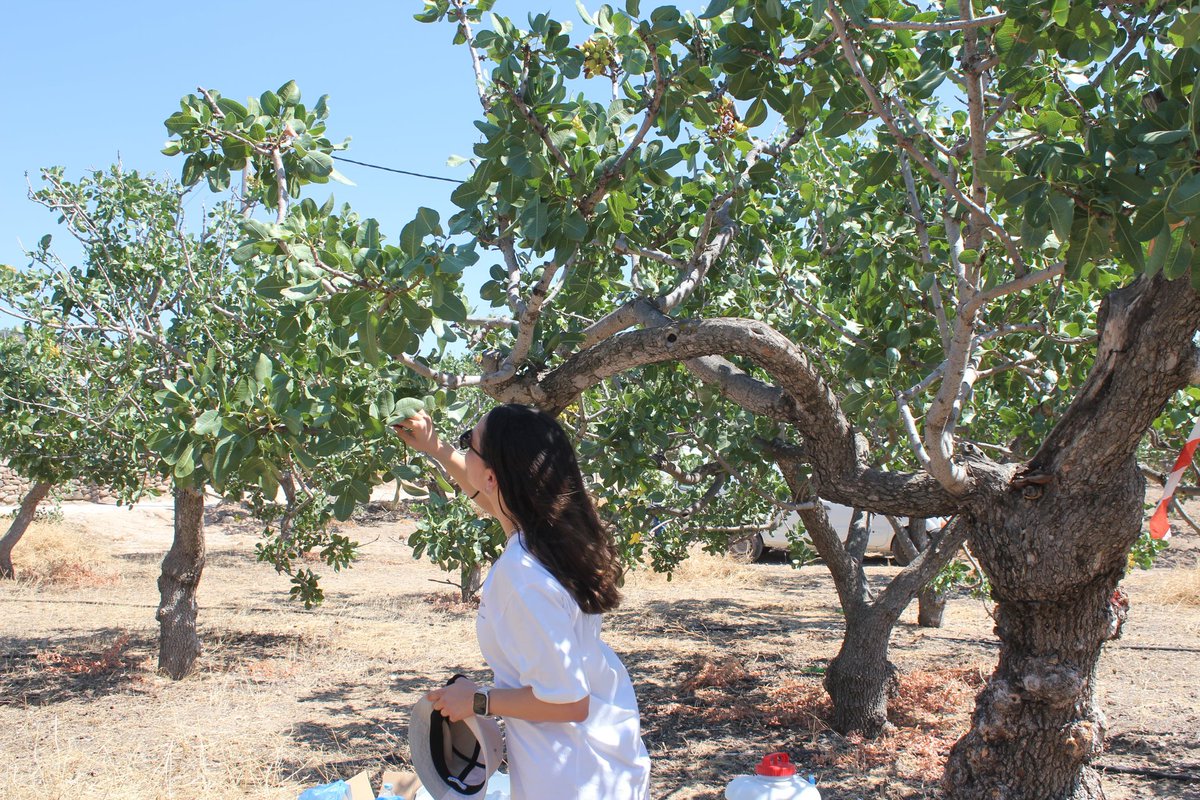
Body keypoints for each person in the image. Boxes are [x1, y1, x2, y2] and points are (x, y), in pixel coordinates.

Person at [395, 403, 651, 800]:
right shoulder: (553, 537)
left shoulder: (521, 576)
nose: (463, 451)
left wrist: (477, 700)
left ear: (494, 477)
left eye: (469, 444)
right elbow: (492, 498)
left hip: (569, 778)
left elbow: (568, 701)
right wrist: (437, 448)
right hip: (606, 759)